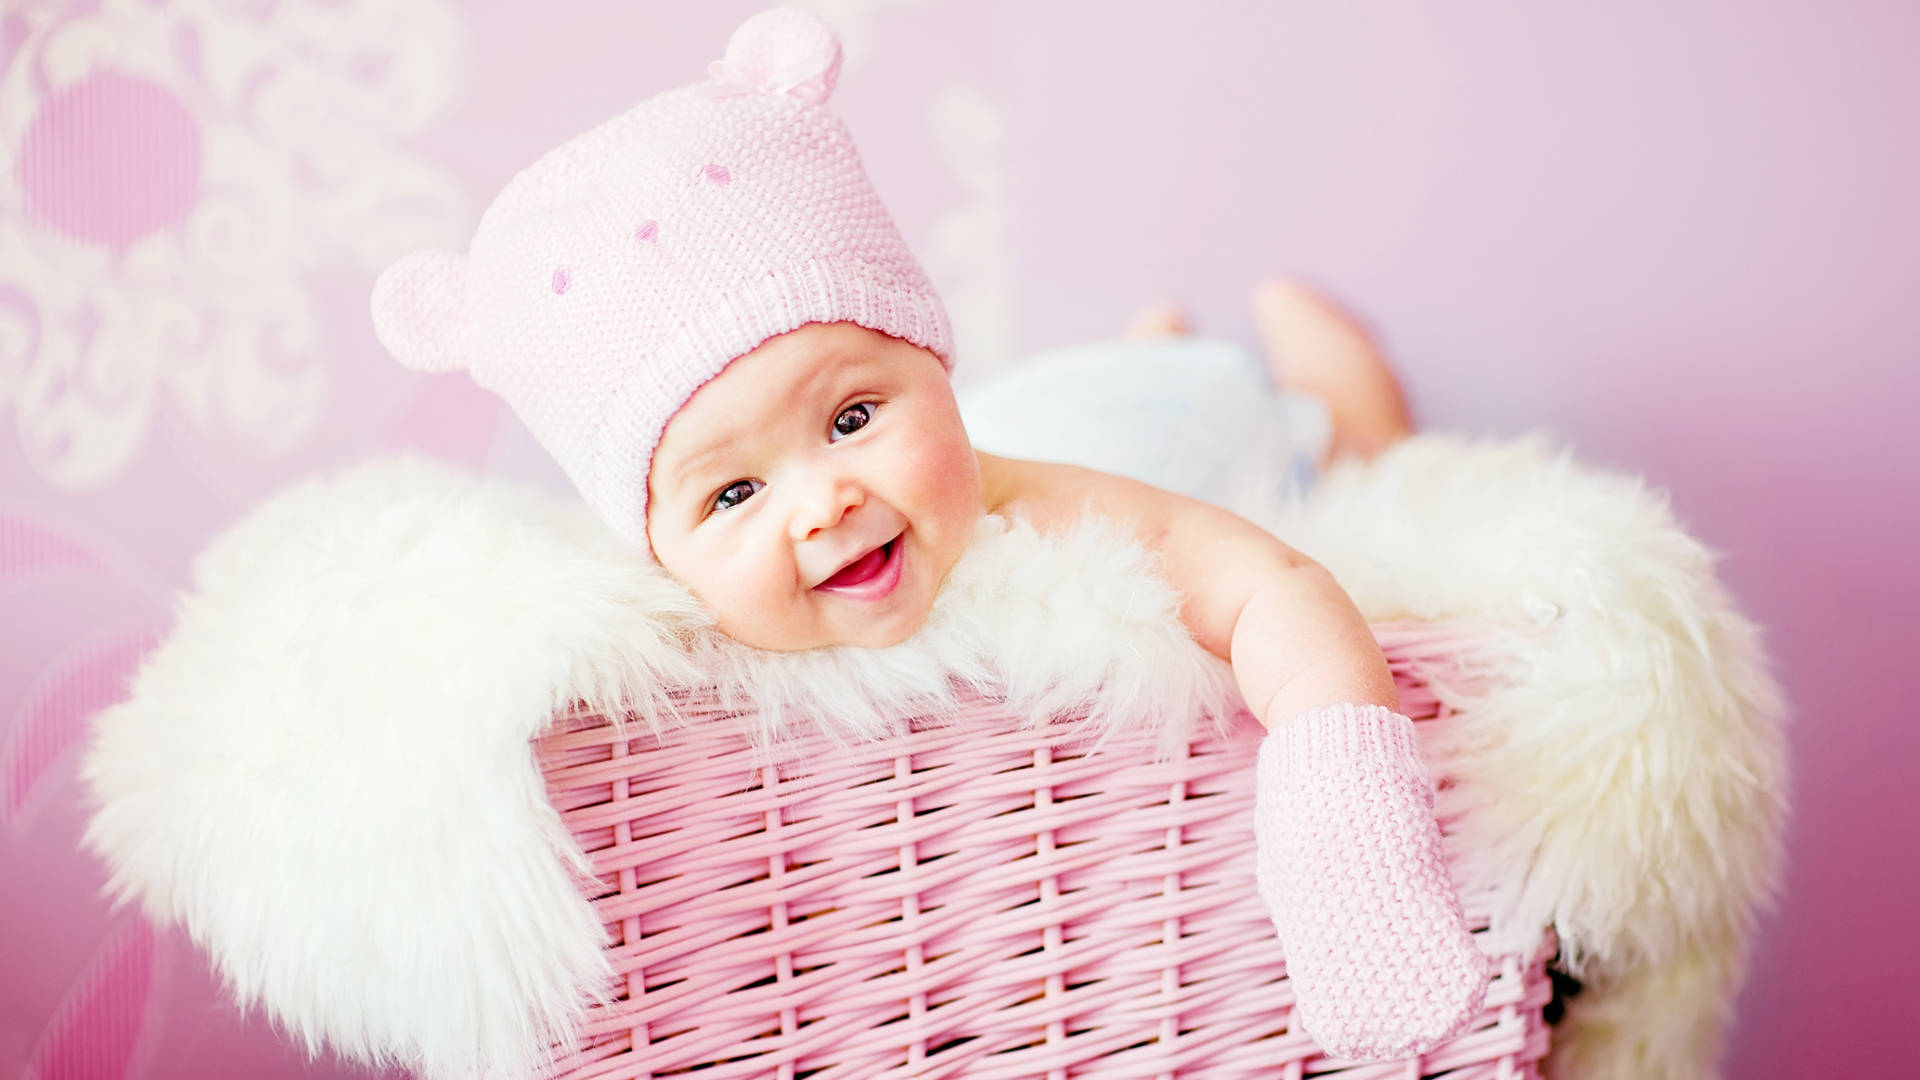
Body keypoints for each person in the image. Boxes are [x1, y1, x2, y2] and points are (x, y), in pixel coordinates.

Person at [371, 7, 1484, 1061]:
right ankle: (1142, 344)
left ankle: (1335, 403)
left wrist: (1345, 841)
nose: (823, 505)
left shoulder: (1037, 506)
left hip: (1164, 431)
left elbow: (1275, 587)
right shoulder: (660, 629)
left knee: (1257, 436)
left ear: (931, 370)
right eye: (734, 495)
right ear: (654, 546)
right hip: (1033, 401)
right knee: (1089, 381)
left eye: (853, 418)